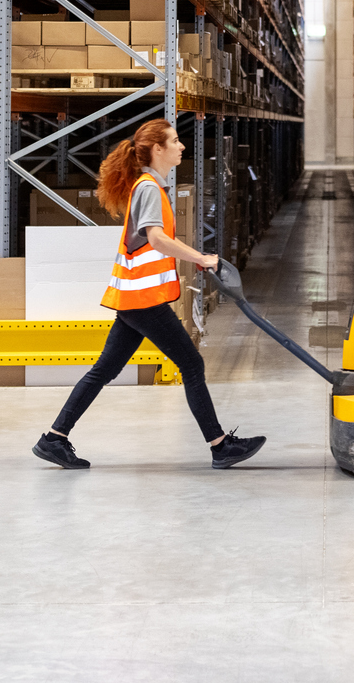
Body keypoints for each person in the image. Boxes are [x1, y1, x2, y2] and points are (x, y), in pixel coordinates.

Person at [32, 119, 264, 470]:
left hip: (135, 298)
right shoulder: (150, 189)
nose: (181, 146)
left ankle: (54, 438)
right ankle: (219, 446)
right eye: (174, 141)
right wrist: (200, 258)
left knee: (104, 370)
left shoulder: (149, 186)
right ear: (158, 149)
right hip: (143, 299)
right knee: (191, 363)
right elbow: (155, 237)